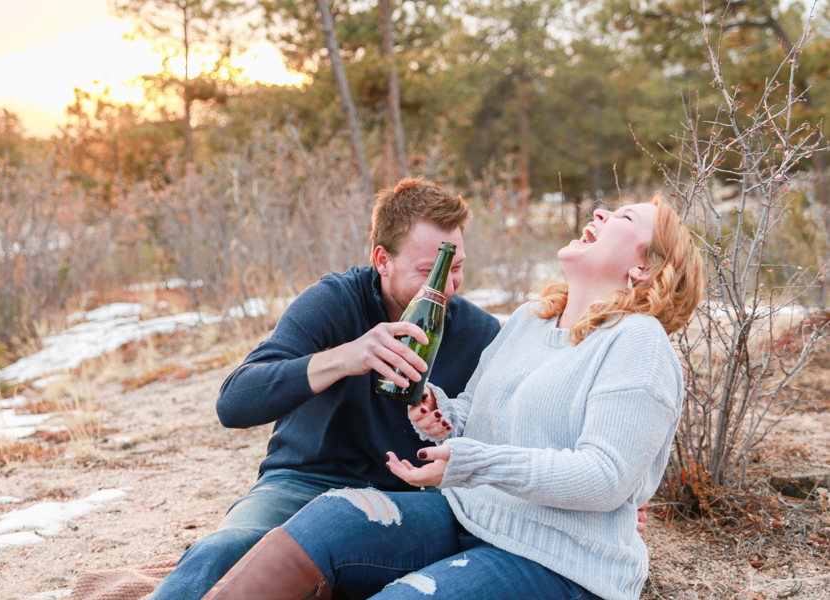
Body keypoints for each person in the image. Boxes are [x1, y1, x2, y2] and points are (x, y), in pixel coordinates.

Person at [198, 196, 703, 600]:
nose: (601, 213)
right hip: (469, 516)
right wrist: (439, 415)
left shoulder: (638, 341)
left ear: (644, 268)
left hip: (556, 557)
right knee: (330, 516)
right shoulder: (531, 319)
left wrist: (469, 460)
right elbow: (473, 419)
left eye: (624, 217)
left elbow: (606, 479)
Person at [146, 178, 503, 600]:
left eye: (456, 267)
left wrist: (445, 428)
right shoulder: (334, 301)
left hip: (406, 500)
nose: (445, 287)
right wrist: (344, 358)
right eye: (428, 272)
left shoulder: (480, 332)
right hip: (302, 483)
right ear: (382, 260)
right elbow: (234, 402)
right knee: (228, 549)